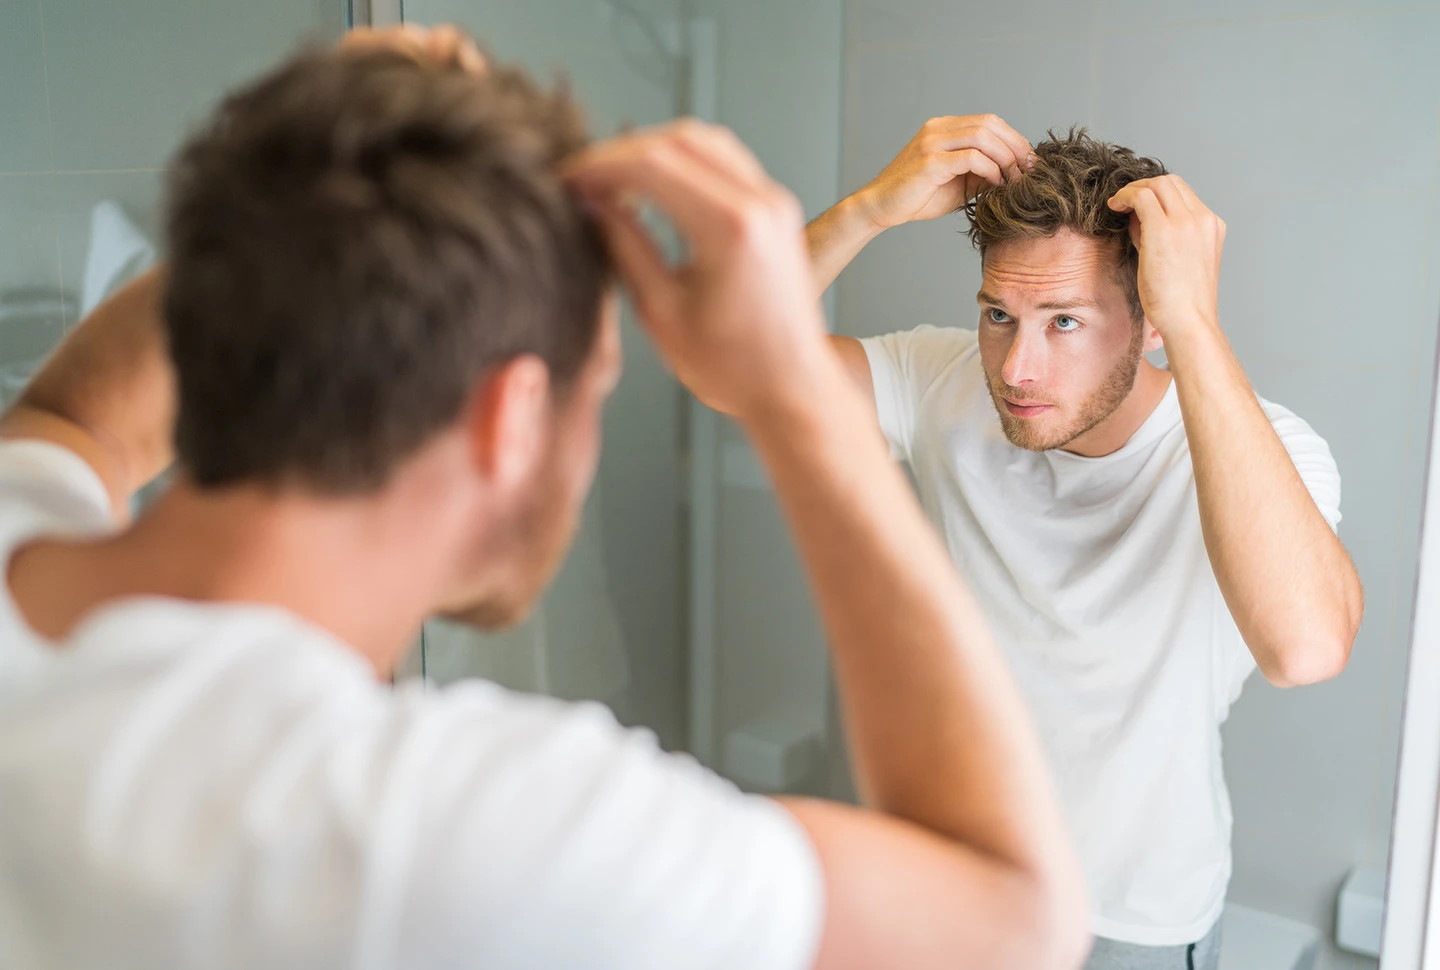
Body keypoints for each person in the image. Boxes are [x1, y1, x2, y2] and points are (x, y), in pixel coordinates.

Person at [0, 27, 1090, 970]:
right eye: (597, 386)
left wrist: (314, 172)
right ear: (510, 417)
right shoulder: (456, 831)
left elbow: (70, 423)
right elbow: (1017, 915)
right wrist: (786, 387)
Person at [806, 116, 1365, 969]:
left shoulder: (1263, 448)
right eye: (999, 314)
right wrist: (865, 211)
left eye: (1063, 322)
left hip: (1129, 923)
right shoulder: (940, 381)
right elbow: (721, 361)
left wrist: (1196, 325)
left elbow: (1306, 648)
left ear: (1148, 324)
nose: (1017, 369)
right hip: (954, 888)